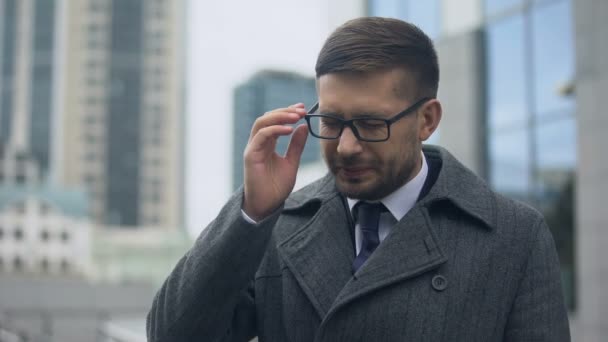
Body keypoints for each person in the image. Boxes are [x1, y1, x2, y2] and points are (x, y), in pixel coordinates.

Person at [147, 17, 570, 341]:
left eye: (370, 123)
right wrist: (251, 213)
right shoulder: (279, 224)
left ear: (426, 120)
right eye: (330, 121)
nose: (346, 146)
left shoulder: (515, 235)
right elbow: (172, 334)